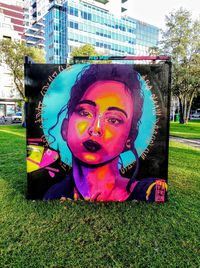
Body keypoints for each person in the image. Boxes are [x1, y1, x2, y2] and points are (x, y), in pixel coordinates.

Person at [44, 64, 167, 202]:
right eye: (85, 113)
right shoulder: (54, 194)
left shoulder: (149, 192)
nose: (95, 129)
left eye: (113, 120)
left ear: (129, 139)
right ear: (65, 128)